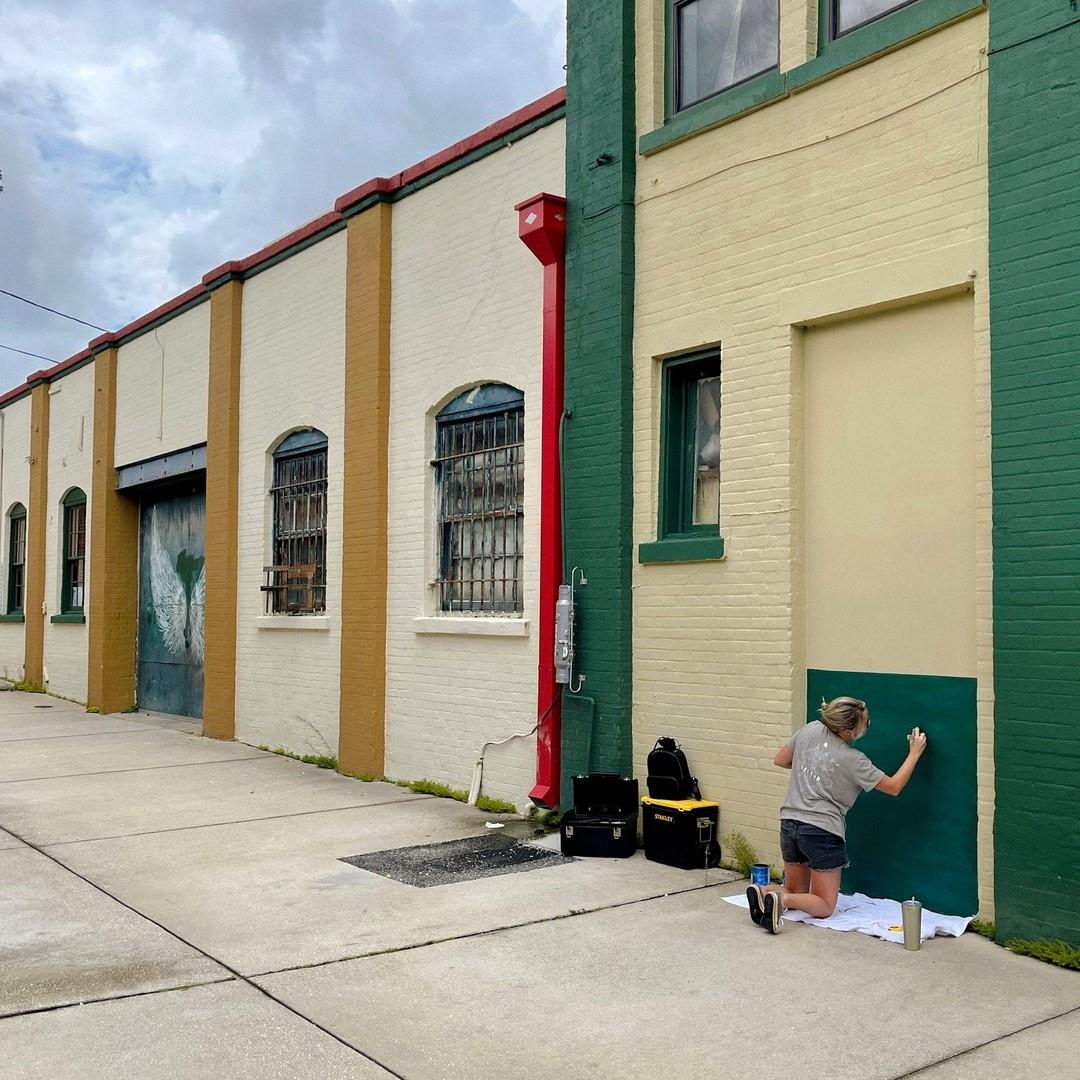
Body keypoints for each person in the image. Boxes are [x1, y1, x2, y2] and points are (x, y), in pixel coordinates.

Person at [747, 696, 927, 934]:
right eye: (865, 723)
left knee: (795, 890)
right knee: (823, 905)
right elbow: (893, 786)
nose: (868, 725)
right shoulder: (854, 760)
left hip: (790, 823)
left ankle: (765, 892)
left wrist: (809, 769)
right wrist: (914, 753)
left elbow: (780, 760)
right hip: (822, 831)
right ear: (848, 730)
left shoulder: (810, 729)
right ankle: (783, 900)